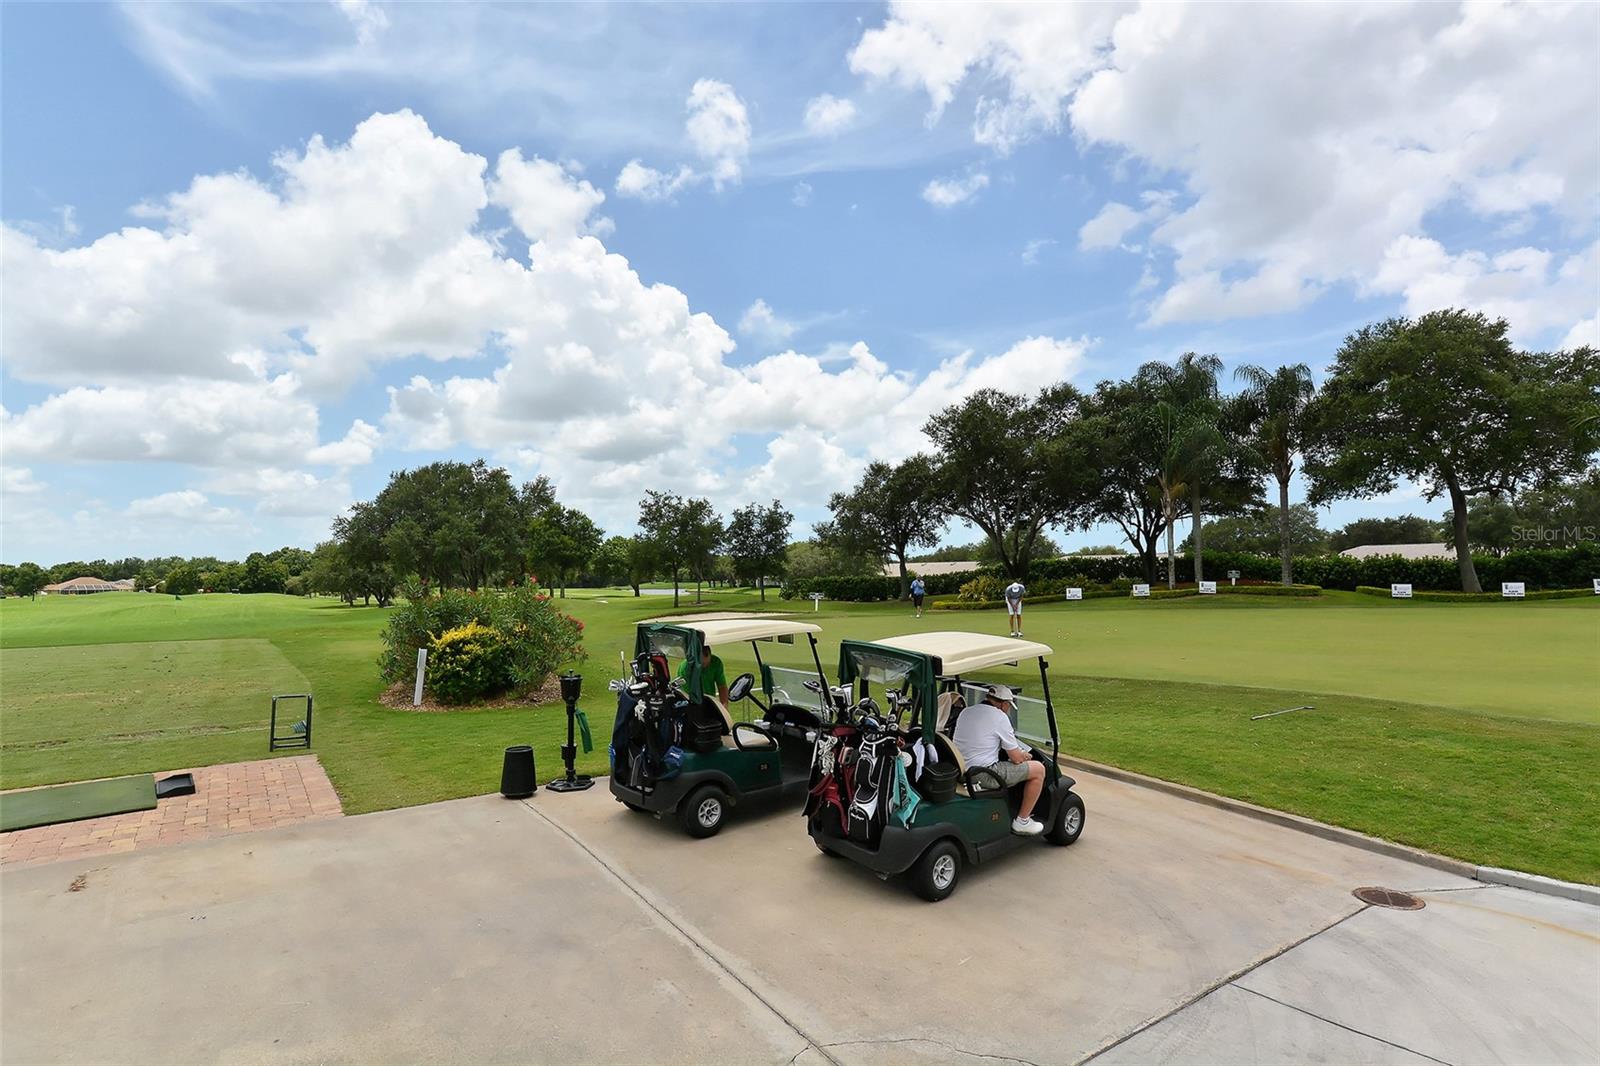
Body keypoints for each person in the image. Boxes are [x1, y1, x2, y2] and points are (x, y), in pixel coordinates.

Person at [952, 684, 1045, 835]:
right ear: (1004, 704)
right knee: (1039, 770)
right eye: (1008, 706)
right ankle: (1022, 821)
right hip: (983, 774)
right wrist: (1024, 756)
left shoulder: (967, 711)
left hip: (962, 769)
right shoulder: (1000, 717)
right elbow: (1015, 757)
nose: (1008, 709)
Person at [678, 643, 730, 708]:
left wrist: (724, 705)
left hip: (710, 700)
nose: (703, 666)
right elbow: (687, 694)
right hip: (690, 702)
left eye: (706, 663)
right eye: (701, 664)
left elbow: (722, 686)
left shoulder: (716, 662)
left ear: (710, 655)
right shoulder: (686, 668)